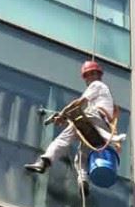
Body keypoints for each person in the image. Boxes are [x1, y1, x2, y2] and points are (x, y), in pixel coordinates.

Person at [24, 60, 125, 191]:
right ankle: (83, 181)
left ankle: (44, 162)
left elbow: (79, 103)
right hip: (100, 125)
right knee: (81, 156)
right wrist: (64, 117)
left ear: (97, 74)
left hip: (94, 118)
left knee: (64, 138)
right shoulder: (104, 95)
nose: (88, 78)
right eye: (87, 75)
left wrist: (63, 114)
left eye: (90, 74)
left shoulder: (97, 85)